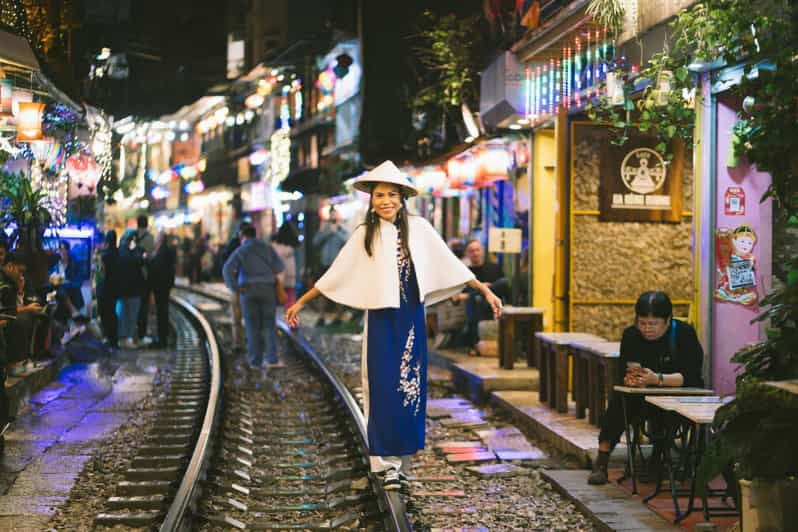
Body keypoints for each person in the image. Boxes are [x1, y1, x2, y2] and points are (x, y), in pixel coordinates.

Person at [285, 161, 502, 490]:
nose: (385, 200)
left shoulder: (421, 230)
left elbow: (451, 265)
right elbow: (337, 273)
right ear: (371, 200)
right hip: (382, 319)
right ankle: (384, 464)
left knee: (410, 389)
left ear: (402, 198)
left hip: (411, 319)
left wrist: (484, 290)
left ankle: (402, 462)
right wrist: (301, 301)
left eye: (391, 195)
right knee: (382, 387)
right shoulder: (365, 234)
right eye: (379, 195)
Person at [588, 291, 704, 485]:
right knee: (617, 406)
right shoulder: (631, 336)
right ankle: (602, 462)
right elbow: (625, 369)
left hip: (676, 397)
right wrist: (632, 379)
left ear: (668, 320)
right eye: (642, 323)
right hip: (641, 396)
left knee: (664, 415)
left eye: (653, 324)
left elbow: (691, 376)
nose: (647, 329)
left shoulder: (683, 334)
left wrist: (657, 379)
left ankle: (658, 460)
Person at [222, 224, 284, 368]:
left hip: (247, 291)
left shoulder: (241, 250)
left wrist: (235, 288)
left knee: (252, 326)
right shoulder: (267, 248)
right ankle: (272, 359)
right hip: (267, 290)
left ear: (243, 236)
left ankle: (255, 361)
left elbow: (227, 269)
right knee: (269, 324)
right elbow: (279, 267)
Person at [451, 239, 509, 353]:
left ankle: (475, 295)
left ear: (482, 251)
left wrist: (475, 292)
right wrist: (483, 289)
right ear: (467, 254)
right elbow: (455, 299)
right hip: (476, 308)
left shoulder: (494, 268)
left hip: (494, 305)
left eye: (477, 250)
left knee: (502, 282)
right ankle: (476, 343)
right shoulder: (465, 273)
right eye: (472, 251)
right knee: (477, 300)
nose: (475, 253)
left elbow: (502, 287)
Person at [312, 211, 349, 326]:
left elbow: (347, 242)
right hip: (324, 265)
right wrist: (328, 231)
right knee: (323, 291)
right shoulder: (324, 231)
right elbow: (315, 242)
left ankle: (338, 317)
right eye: (331, 220)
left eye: (335, 220)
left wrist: (336, 231)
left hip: (338, 266)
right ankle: (321, 316)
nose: (333, 222)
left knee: (339, 291)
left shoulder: (343, 231)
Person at [116, 229, 146, 348]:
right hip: (133, 289)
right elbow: (139, 262)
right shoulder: (132, 254)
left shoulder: (120, 252)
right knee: (131, 315)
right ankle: (127, 338)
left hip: (122, 289)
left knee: (123, 314)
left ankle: (123, 338)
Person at [220, 223, 248, 352]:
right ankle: (241, 342)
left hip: (242, 285)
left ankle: (240, 342)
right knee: (240, 315)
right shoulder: (241, 245)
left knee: (238, 316)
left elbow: (225, 262)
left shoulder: (235, 244)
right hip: (242, 285)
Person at [147, 232, 176, 348]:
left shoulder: (160, 253)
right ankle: (163, 337)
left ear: (159, 240)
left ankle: (162, 339)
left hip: (160, 288)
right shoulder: (167, 252)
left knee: (161, 312)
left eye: (155, 238)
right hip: (165, 287)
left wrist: (147, 260)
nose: (154, 241)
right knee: (163, 312)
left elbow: (156, 269)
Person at [49, 240, 85, 324]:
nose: (60, 252)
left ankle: (73, 310)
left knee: (76, 327)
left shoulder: (75, 263)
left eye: (62, 249)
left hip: (74, 298)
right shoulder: (55, 264)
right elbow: (50, 278)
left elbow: (79, 282)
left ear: (67, 250)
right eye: (59, 250)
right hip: (59, 302)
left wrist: (66, 283)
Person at [135, 215, 155, 344]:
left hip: (133, 275)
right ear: (147, 224)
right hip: (145, 276)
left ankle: (133, 332)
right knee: (143, 307)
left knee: (132, 305)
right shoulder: (150, 238)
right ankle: (141, 334)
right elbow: (152, 257)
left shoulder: (132, 236)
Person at [97, 230, 119, 349]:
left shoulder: (104, 256)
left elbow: (101, 274)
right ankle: (114, 340)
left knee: (105, 314)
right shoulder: (118, 253)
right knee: (112, 313)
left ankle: (108, 338)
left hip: (105, 289)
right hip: (115, 289)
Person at [271, 221, 300, 307]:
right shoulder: (293, 246)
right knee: (290, 299)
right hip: (290, 275)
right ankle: (290, 318)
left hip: (278, 275)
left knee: (275, 298)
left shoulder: (274, 245)